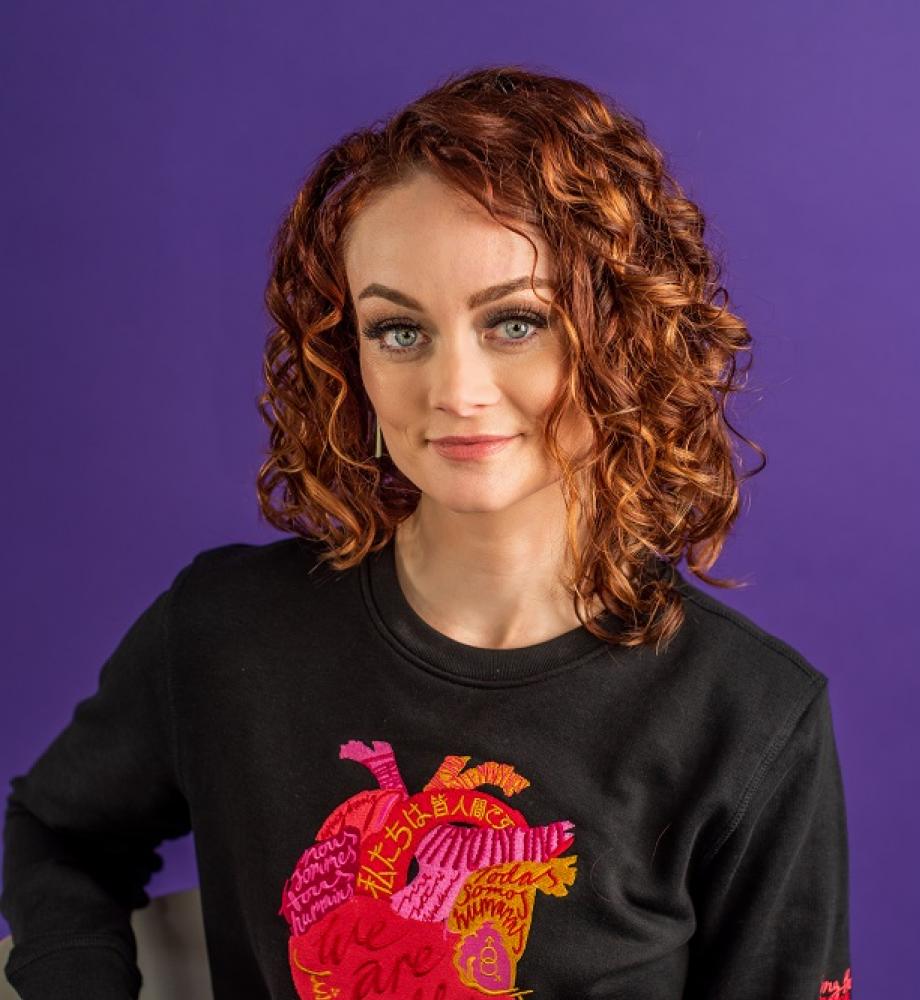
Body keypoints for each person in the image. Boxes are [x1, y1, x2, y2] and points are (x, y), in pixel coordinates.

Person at [1, 66, 853, 999]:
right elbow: (57, 836)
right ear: (349, 360)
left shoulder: (749, 719)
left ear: (620, 340)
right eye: (399, 331)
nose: (456, 392)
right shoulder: (222, 631)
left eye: (516, 321)